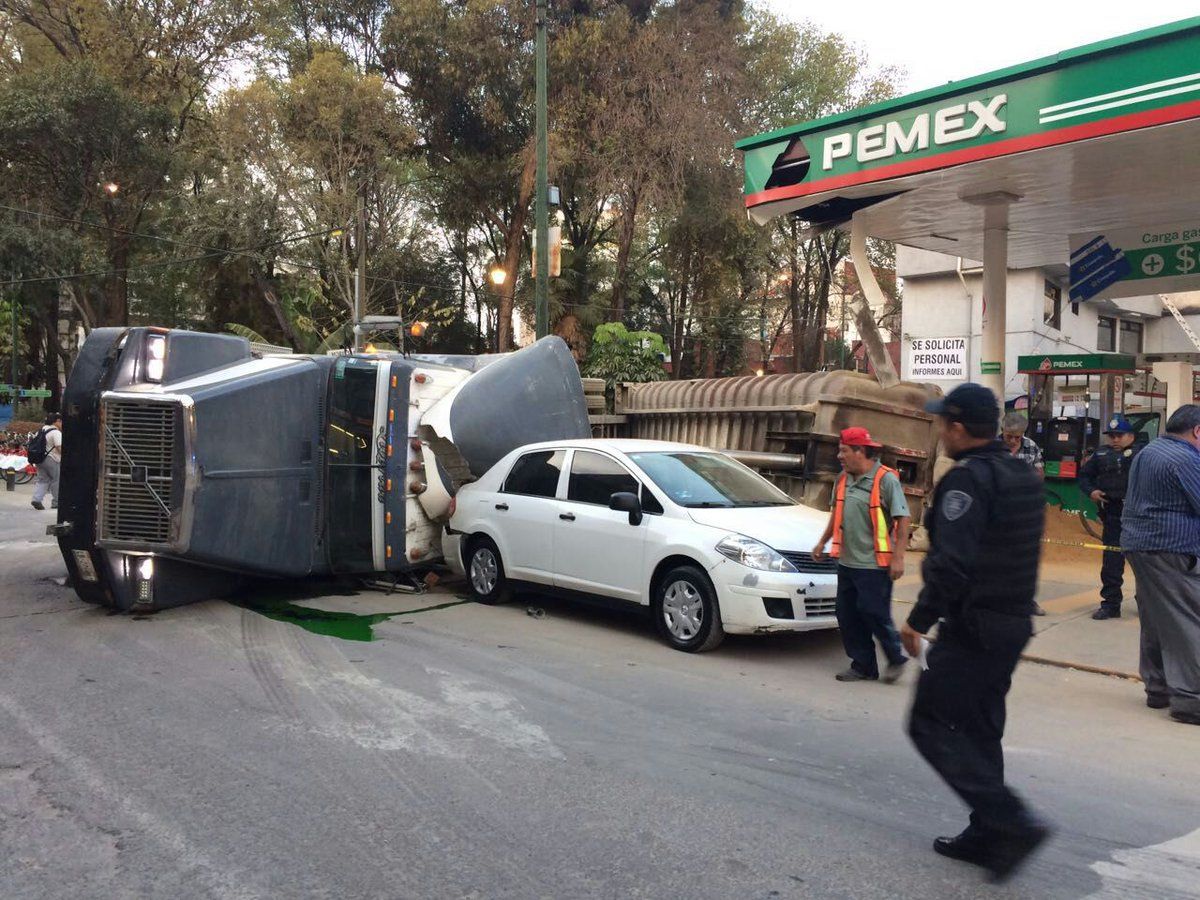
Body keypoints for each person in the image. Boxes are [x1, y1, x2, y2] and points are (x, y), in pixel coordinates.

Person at [899, 383, 1051, 882]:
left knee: (929, 723)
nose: (940, 431)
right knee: (981, 727)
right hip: (1012, 624)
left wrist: (918, 620)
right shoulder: (1023, 476)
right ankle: (987, 830)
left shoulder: (967, 482)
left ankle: (1012, 821)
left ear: (959, 429)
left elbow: (950, 566)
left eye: (945, 423)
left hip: (975, 626)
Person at [1121, 404, 1200, 726]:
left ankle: (1159, 687)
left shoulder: (1150, 451)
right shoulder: (1185, 459)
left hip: (1142, 546)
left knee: (1157, 619)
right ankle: (1192, 700)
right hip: (1172, 549)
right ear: (1197, 431)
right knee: (1187, 621)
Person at [812, 426, 911, 684]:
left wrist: (899, 558)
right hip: (846, 562)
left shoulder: (885, 479)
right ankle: (863, 665)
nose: (839, 456)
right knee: (846, 614)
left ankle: (896, 657)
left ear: (860, 451)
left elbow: (903, 520)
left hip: (875, 565)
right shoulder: (843, 479)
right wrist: (823, 541)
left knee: (874, 613)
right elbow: (837, 513)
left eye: (844, 451)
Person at [1077, 414, 1140, 620]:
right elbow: (1084, 476)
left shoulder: (1142, 454)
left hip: (1139, 517)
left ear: (1130, 436)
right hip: (1112, 514)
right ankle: (1111, 604)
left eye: (1119, 435)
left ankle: (1147, 604)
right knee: (1112, 562)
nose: (1114, 439)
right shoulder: (1100, 454)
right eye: (1111, 435)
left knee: (1144, 563)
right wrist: (1091, 491)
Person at [1001, 412, 1047, 617]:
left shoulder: (1031, 447)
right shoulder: (992, 446)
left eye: (1016, 437)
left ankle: (1025, 601)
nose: (1012, 441)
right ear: (1002, 431)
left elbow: (1038, 476)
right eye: (1008, 436)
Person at [30, 413, 62, 511]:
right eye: (60, 421)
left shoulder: (41, 430)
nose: (61, 424)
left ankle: (37, 499)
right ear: (56, 421)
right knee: (56, 480)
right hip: (52, 459)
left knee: (42, 480)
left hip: (40, 459)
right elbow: (58, 446)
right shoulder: (56, 432)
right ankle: (56, 502)